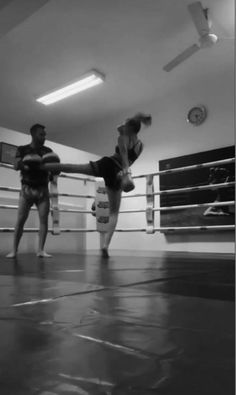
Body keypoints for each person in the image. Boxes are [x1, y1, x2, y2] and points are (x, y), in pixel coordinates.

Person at [40, 112, 152, 258]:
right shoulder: (140, 145)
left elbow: (124, 153)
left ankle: (43, 167)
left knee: (75, 168)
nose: (121, 126)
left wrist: (125, 171)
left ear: (129, 128)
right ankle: (105, 245)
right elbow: (127, 157)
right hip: (118, 174)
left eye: (125, 124)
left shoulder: (122, 137)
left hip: (109, 165)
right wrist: (125, 174)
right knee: (113, 213)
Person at [6, 124, 59, 258]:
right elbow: (15, 166)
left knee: (43, 221)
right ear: (33, 134)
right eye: (41, 134)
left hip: (42, 190)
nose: (44, 137)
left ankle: (40, 250)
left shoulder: (48, 150)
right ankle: (14, 250)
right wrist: (25, 163)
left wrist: (55, 170)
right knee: (21, 220)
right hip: (27, 190)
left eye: (44, 134)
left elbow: (54, 169)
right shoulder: (22, 149)